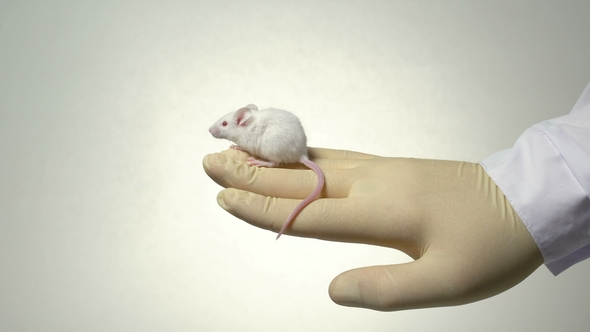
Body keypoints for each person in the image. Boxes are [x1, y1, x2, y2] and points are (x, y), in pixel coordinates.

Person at [203, 83, 590, 311]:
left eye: (224, 125)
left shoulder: (251, 126)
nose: (217, 129)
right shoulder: (251, 124)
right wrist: (545, 175)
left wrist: (532, 193)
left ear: (240, 120)